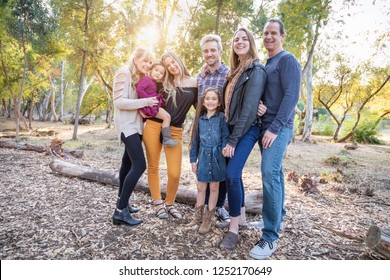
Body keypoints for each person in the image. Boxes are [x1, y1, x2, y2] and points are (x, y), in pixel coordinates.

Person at [249, 18, 301, 260]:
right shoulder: (267, 63)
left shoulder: (287, 60)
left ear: (282, 35)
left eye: (273, 33)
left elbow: (292, 96)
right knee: (276, 174)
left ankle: (270, 237)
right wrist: (261, 107)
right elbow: (271, 95)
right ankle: (276, 218)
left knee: (269, 174)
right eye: (265, 33)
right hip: (265, 126)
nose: (268, 36)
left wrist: (275, 128)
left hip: (278, 129)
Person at [219, 27, 267, 250]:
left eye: (244, 38)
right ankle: (243, 219)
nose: (239, 42)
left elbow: (249, 110)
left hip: (246, 130)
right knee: (233, 176)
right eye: (236, 39)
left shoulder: (255, 69)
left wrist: (233, 140)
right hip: (230, 129)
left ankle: (234, 229)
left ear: (251, 42)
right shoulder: (235, 70)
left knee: (231, 174)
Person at [143, 51, 198, 219]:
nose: (171, 67)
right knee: (153, 166)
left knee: (174, 172)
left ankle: (170, 203)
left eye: (173, 62)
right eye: (167, 65)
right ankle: (158, 203)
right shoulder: (162, 82)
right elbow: (146, 94)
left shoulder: (195, 83)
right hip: (153, 126)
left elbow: (201, 108)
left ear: (179, 60)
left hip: (175, 130)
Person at [112, 47, 159, 227]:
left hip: (136, 126)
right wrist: (146, 102)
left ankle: (123, 203)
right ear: (135, 59)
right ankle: (119, 212)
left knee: (128, 163)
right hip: (126, 125)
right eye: (145, 61)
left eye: (150, 62)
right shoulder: (123, 73)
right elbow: (119, 102)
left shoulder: (139, 78)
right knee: (140, 165)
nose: (147, 65)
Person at [197, 34, 230, 223]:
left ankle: (219, 207)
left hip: (223, 126)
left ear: (220, 51)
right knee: (206, 165)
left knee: (221, 168)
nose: (209, 54)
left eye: (213, 50)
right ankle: (205, 209)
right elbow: (199, 103)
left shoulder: (229, 74)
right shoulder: (200, 77)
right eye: (206, 51)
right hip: (205, 125)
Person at [188, 88, 229, 233]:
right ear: (203, 102)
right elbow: (195, 141)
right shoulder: (200, 120)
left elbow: (225, 137)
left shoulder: (222, 118)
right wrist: (193, 160)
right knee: (201, 187)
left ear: (218, 103)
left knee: (214, 188)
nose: (210, 101)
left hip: (218, 157)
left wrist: (224, 149)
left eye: (214, 99)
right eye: (208, 98)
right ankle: (197, 217)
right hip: (204, 157)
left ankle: (207, 219)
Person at [136, 61, 178, 146]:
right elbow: (139, 89)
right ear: (150, 70)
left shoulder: (152, 81)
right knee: (167, 117)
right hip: (150, 105)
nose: (158, 73)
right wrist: (147, 100)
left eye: (161, 73)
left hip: (150, 104)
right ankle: (167, 139)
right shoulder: (146, 79)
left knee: (166, 117)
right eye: (156, 70)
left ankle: (165, 138)